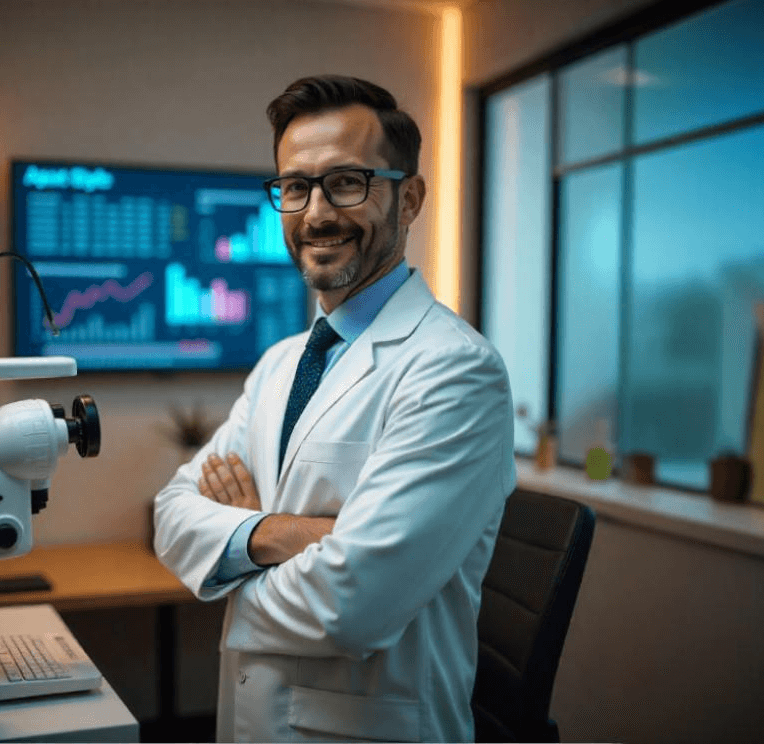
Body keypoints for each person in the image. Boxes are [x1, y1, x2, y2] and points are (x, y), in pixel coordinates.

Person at [153, 74, 516, 743]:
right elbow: (172, 518)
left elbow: (352, 605)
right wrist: (290, 534)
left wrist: (226, 559)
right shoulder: (280, 364)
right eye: (295, 186)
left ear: (409, 199)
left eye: (347, 181)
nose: (317, 212)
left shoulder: (454, 371)